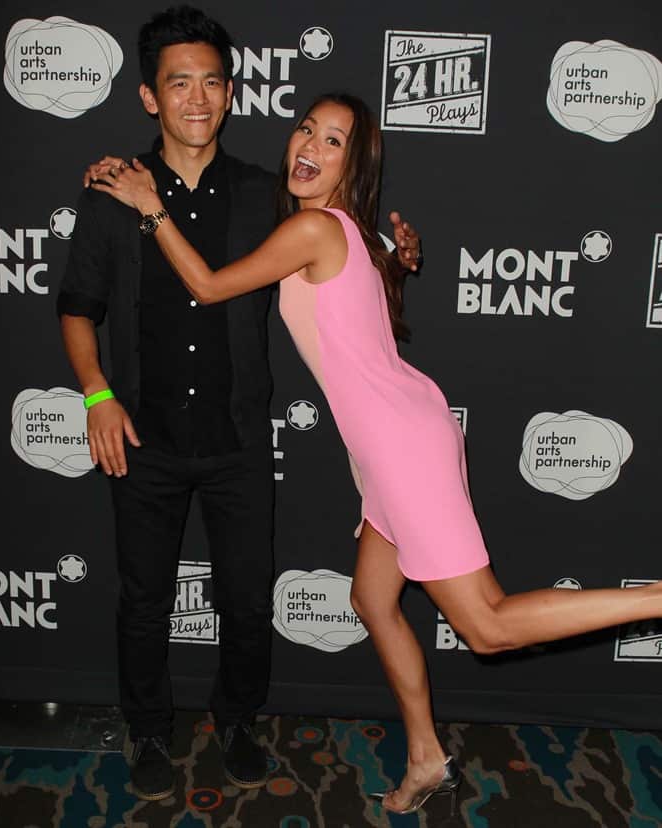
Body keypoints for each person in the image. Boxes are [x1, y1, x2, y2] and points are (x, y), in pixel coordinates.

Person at [90, 88, 662, 817]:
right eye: (307, 130)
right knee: (371, 598)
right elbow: (365, 275)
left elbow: (206, 284)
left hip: (402, 445)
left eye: (334, 142)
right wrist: (400, 259)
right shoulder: (339, 230)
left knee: (484, 625)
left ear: (352, 166)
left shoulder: (317, 231)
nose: (311, 146)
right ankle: (426, 756)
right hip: (391, 441)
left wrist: (151, 206)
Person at [57, 6, 421, 802]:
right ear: (151, 96)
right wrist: (96, 393)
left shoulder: (266, 196)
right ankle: (150, 729)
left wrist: (398, 255)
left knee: (248, 600)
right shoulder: (113, 196)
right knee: (144, 600)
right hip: (141, 436)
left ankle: (241, 721)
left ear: (230, 94)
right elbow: (78, 307)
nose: (197, 99)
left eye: (212, 82)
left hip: (239, 441)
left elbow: (341, 241)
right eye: (177, 83)